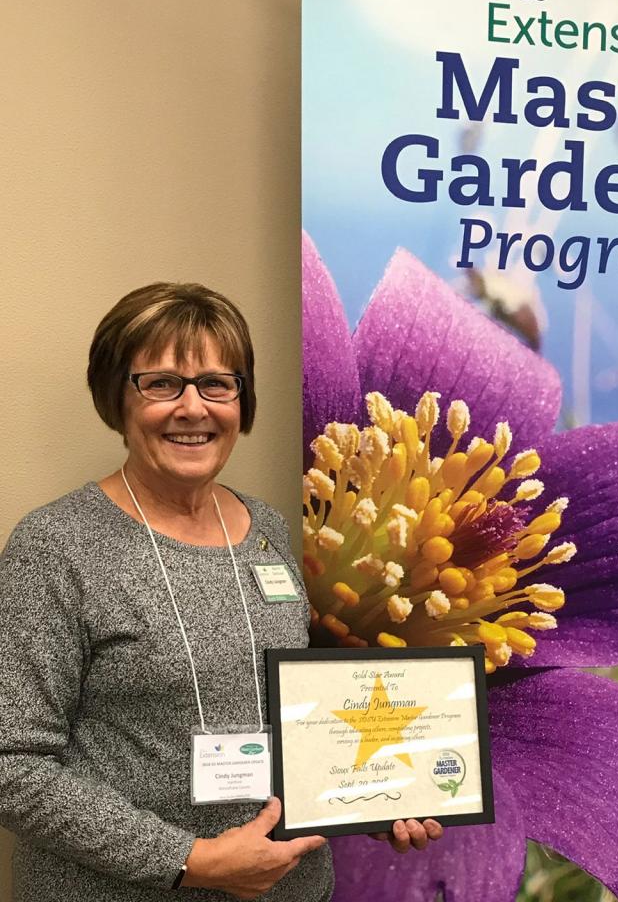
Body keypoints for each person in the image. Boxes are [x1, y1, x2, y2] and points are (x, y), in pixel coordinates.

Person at [0, 282, 442, 902]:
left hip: (292, 890)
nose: (193, 407)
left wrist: (375, 793)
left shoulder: (268, 528)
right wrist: (191, 860)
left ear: (242, 400)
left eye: (217, 383)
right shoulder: (57, 546)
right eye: (160, 383)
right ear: (115, 399)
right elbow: (13, 766)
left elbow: (308, 715)